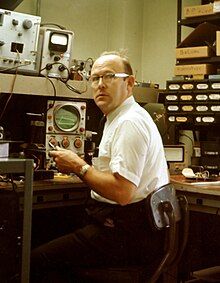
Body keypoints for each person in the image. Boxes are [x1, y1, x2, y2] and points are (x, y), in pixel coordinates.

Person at [30, 50, 169, 282]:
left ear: (130, 83)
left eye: (109, 76)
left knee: (35, 260)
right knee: (48, 232)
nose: (100, 84)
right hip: (126, 226)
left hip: (126, 235)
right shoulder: (119, 117)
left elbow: (122, 192)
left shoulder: (129, 122)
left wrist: (78, 166)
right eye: (95, 78)